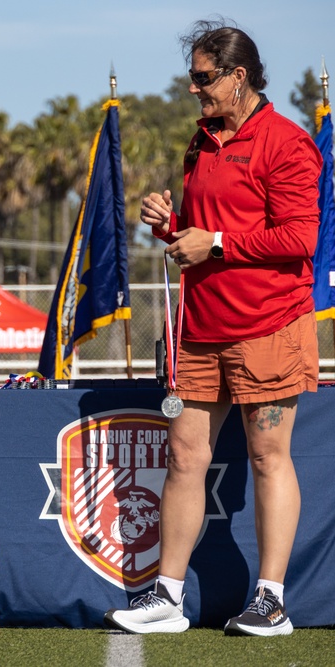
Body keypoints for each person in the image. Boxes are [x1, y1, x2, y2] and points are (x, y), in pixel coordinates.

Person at [104, 20, 322, 637]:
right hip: (200, 328)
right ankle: (166, 597)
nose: (195, 89)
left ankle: (271, 601)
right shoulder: (201, 142)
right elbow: (193, 241)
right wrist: (165, 224)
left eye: (204, 79)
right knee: (183, 455)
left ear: (238, 76)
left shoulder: (287, 142)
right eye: (192, 78)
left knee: (265, 455)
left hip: (269, 326)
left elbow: (301, 237)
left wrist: (217, 242)